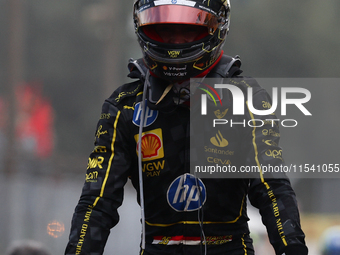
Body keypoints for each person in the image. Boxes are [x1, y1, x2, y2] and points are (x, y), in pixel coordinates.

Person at [65, 0, 308, 254]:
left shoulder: (248, 98)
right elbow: (97, 202)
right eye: (166, 31)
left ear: (217, 28)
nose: (176, 42)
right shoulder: (123, 106)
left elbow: (271, 187)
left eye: (189, 30)